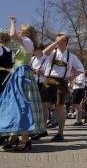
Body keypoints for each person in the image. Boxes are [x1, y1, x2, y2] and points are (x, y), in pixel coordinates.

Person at [0, 16, 45, 151]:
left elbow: (12, 34)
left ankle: (25, 141)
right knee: (14, 105)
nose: (18, 30)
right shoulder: (22, 44)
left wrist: (12, 23)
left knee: (22, 105)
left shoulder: (27, 42)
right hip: (17, 74)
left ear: (28, 34)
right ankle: (13, 137)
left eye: (21, 29)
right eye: (19, 29)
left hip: (22, 75)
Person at [43, 33, 84, 142]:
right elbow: (44, 52)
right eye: (57, 40)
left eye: (62, 40)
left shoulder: (72, 56)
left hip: (62, 81)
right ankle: (42, 130)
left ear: (66, 42)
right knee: (44, 105)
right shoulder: (52, 52)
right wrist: (56, 42)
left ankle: (60, 133)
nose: (59, 42)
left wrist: (71, 77)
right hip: (49, 79)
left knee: (60, 106)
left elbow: (81, 69)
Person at [30, 44, 49, 140]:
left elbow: (50, 73)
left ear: (41, 50)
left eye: (37, 50)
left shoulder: (47, 59)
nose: (35, 51)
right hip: (33, 84)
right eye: (34, 50)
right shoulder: (32, 59)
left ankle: (43, 129)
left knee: (43, 107)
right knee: (35, 107)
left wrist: (42, 73)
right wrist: (34, 71)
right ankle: (36, 128)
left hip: (44, 84)